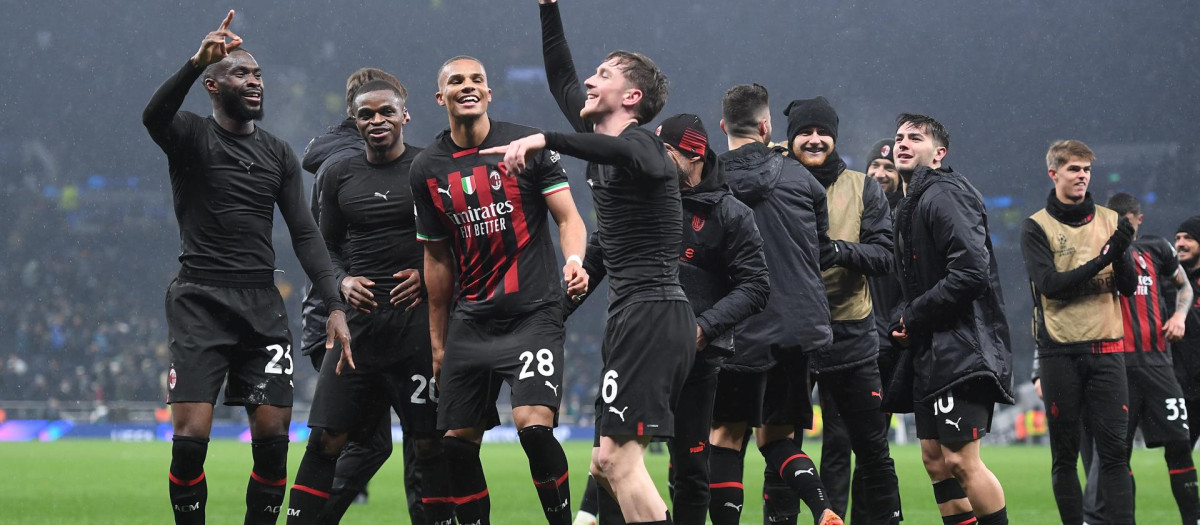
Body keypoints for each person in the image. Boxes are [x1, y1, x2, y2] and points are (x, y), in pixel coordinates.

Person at [141, 10, 351, 524]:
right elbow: (152, 117)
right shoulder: (189, 135)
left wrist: (335, 304)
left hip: (261, 302)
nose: (255, 81)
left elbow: (305, 234)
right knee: (190, 440)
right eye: (242, 73)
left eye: (258, 74)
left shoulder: (277, 152)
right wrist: (194, 62)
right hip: (199, 299)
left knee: (274, 439)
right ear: (213, 85)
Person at [497, 3, 692, 524]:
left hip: (652, 313)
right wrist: (548, 9)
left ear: (631, 97)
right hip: (630, 315)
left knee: (614, 460)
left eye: (603, 74)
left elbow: (643, 159)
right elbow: (560, 71)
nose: (587, 80)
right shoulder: (605, 142)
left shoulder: (644, 147)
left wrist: (546, 138)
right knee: (606, 465)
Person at [567, 114, 770, 525]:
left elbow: (757, 286)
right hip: (634, 346)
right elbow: (597, 259)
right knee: (609, 459)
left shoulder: (731, 214)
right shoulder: (641, 195)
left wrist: (704, 327)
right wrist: (553, 314)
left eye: (668, 152)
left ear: (695, 156)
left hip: (696, 356)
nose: (656, 160)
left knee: (692, 471)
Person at [411, 55, 588, 525]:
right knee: (455, 444)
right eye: (456, 81)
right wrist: (437, 339)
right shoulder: (426, 167)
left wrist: (574, 260)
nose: (467, 86)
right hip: (472, 316)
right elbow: (436, 258)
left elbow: (569, 218)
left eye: (477, 80)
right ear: (441, 97)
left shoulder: (526, 144)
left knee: (533, 429)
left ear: (489, 93)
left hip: (533, 312)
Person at [285, 80, 453, 525]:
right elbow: (324, 248)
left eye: (385, 112)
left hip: (417, 330)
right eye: (366, 115)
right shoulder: (339, 175)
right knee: (326, 439)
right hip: (357, 332)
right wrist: (340, 283)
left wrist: (427, 273)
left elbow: (459, 240)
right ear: (354, 123)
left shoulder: (430, 167)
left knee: (429, 443)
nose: (376, 121)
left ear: (405, 115)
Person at [710, 83, 843, 525]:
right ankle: (823, 507)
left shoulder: (711, 179)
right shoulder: (803, 179)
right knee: (779, 438)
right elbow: (819, 250)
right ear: (767, 127)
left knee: (726, 436)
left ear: (724, 125)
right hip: (800, 327)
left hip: (742, 326)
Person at [782, 96, 901, 525]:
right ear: (790, 138)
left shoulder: (863, 186)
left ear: (834, 136)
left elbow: (884, 257)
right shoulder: (773, 180)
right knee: (783, 448)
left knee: (867, 448)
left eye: (822, 133)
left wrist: (835, 251)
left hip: (850, 333)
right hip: (790, 336)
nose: (815, 140)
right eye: (805, 133)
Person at [890, 114, 1012, 525]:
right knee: (936, 460)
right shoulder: (914, 202)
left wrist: (915, 314)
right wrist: (908, 321)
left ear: (939, 154)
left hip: (961, 348)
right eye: (899, 137)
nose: (903, 143)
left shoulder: (943, 194)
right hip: (934, 348)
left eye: (916, 138)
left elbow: (971, 273)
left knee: (960, 459)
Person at [1020, 138, 1138, 525]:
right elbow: (1051, 285)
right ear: (1053, 173)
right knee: (1065, 456)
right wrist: (1105, 256)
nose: (1082, 176)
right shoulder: (1036, 227)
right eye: (1074, 169)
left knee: (1115, 455)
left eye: (1087, 170)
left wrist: (1121, 254)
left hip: (1107, 350)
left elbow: (1126, 286)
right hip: (1060, 353)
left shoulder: (1111, 220)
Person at [1096, 192, 1199, 523]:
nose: (1123, 231)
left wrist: (1180, 316)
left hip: (1158, 365)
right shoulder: (1101, 254)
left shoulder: (1157, 249)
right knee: (1117, 454)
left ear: (1138, 221)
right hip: (1117, 367)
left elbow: (1184, 288)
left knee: (1180, 446)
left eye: (1127, 224)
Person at [821, 138, 905, 524]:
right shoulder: (853, 211)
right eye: (876, 166)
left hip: (891, 346)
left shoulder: (905, 224)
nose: (881, 173)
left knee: (872, 447)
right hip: (853, 338)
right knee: (839, 441)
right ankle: (834, 516)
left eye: (889, 168)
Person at [1173, 216, 1200, 447]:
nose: (1180, 243)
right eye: (1178, 238)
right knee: (1179, 453)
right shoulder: (1168, 283)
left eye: (1188, 238)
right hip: (1183, 388)